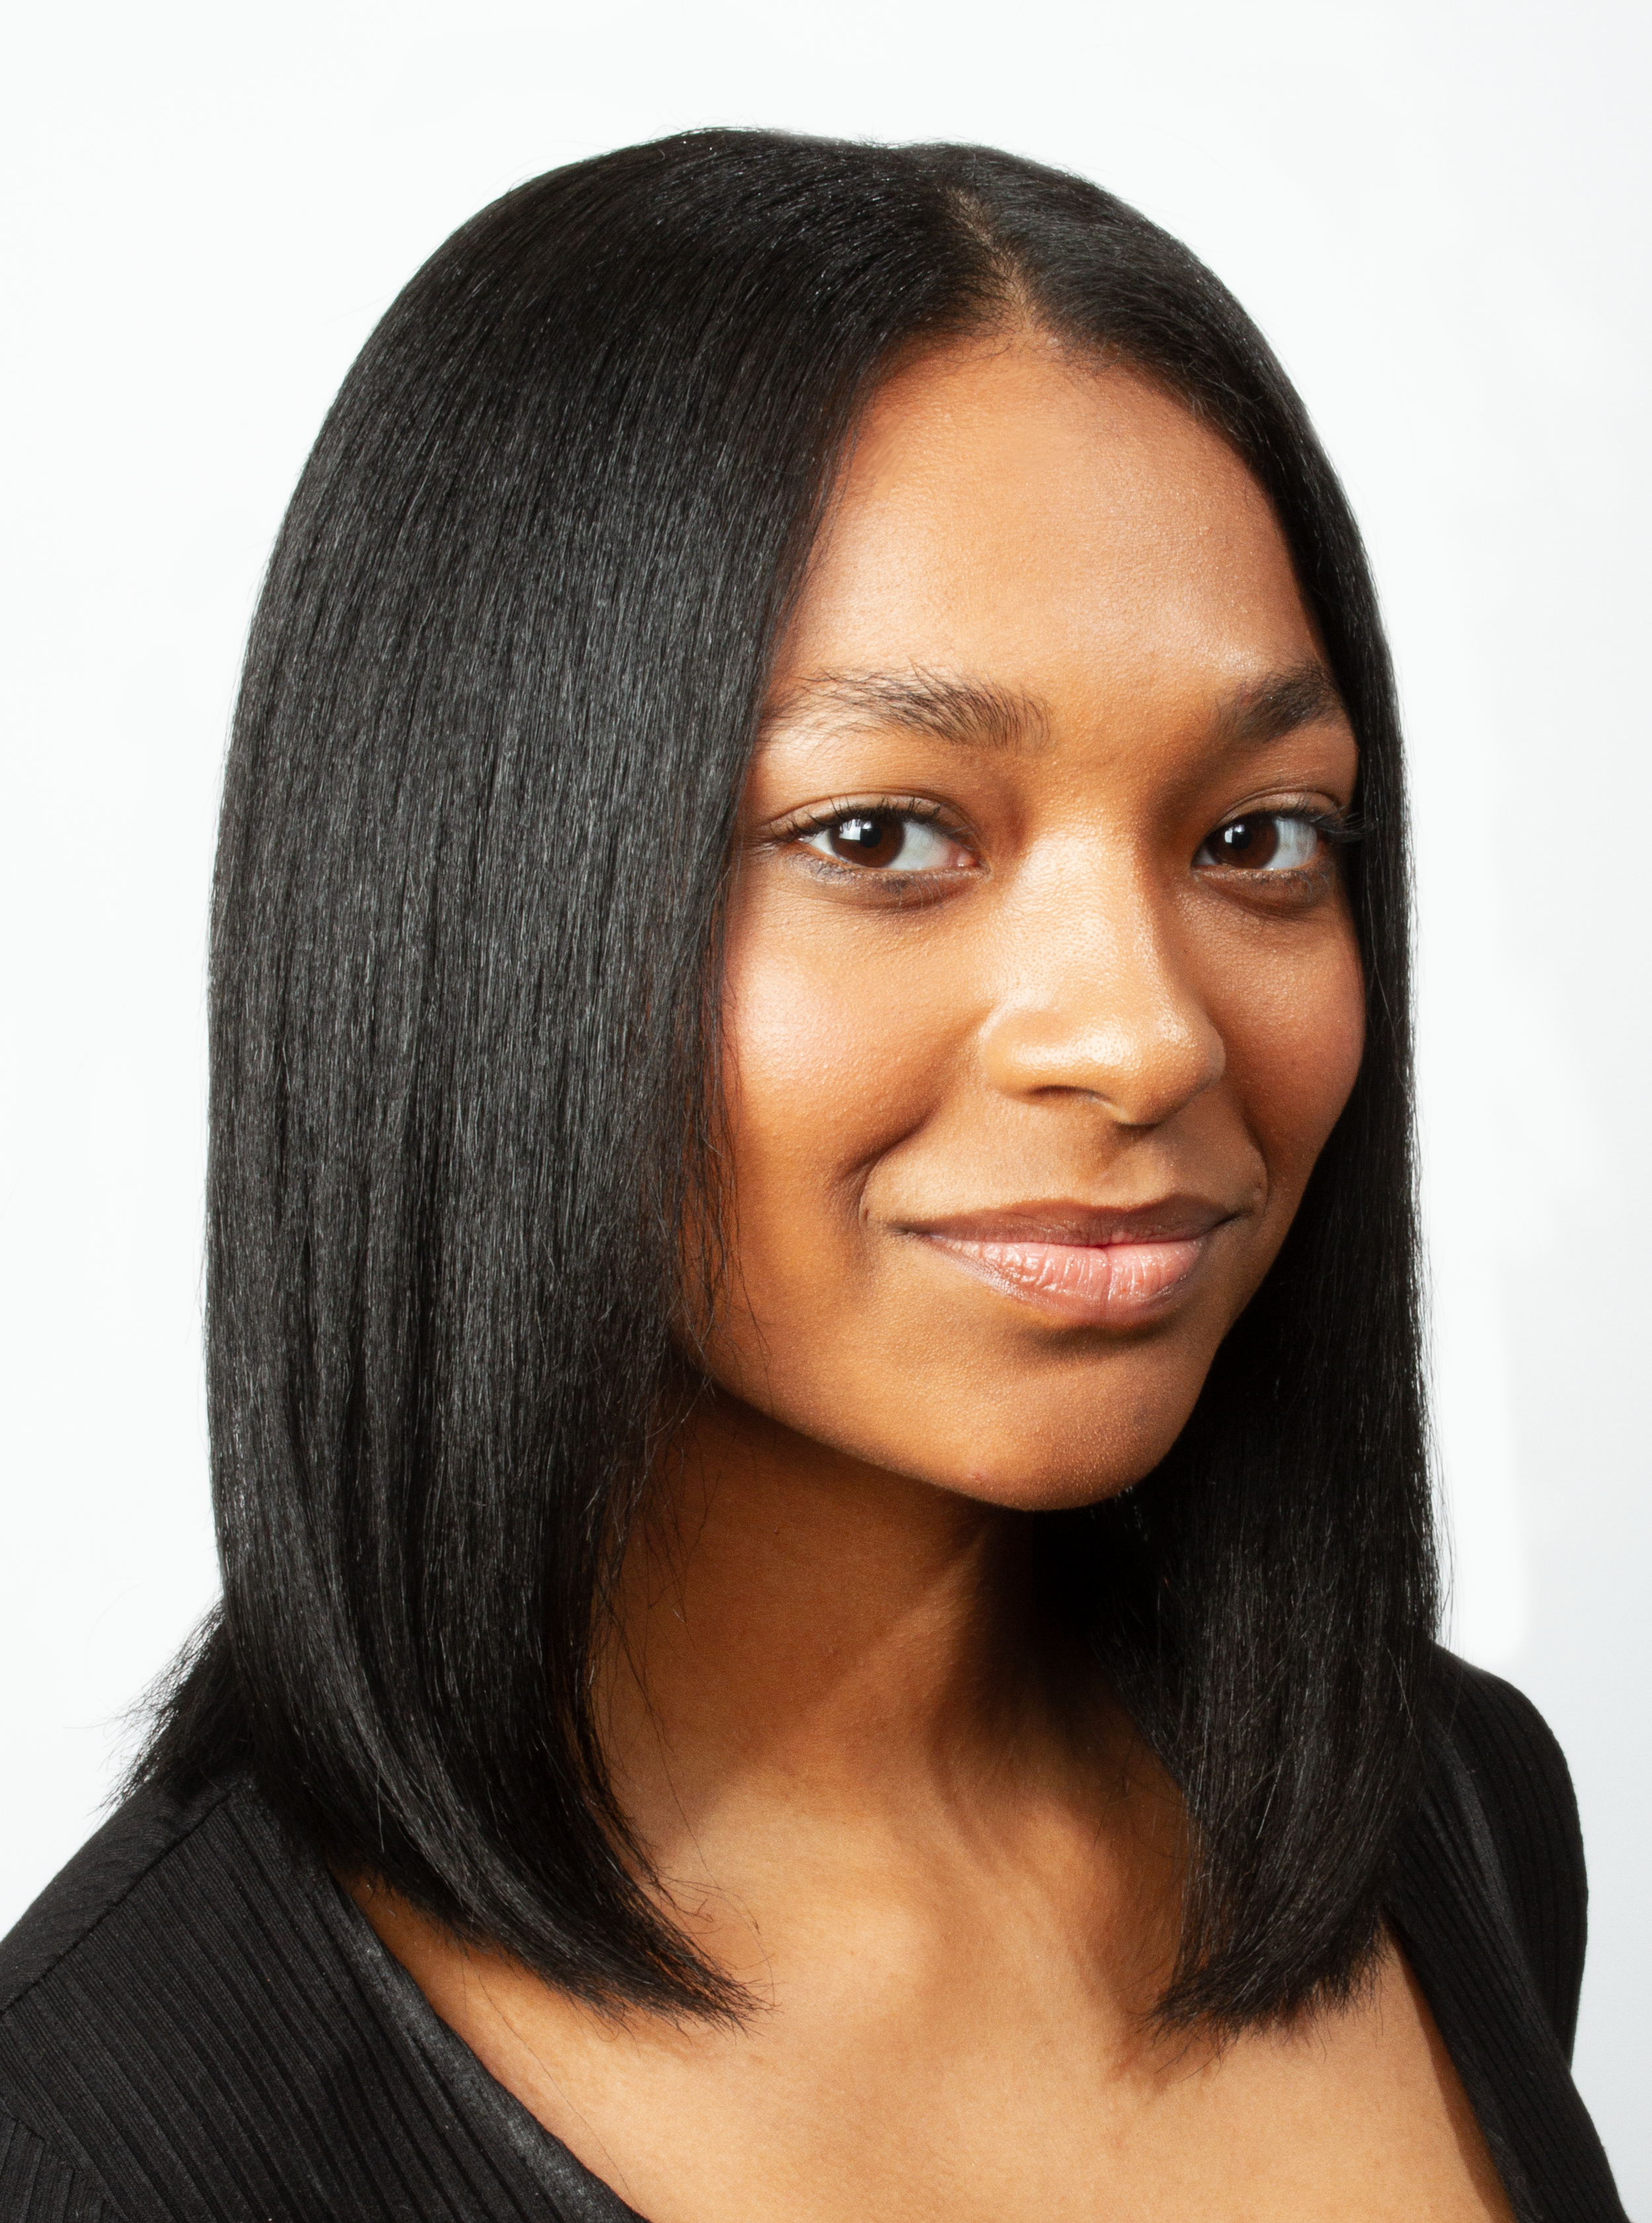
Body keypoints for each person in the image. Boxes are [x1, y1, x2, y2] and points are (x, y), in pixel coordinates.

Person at [0, 131, 1624, 2223]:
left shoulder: (1451, 1812)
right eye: (881, 836)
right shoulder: (104, 2142)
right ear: (484, 897)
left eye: (1255, 838)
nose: (1142, 1033)